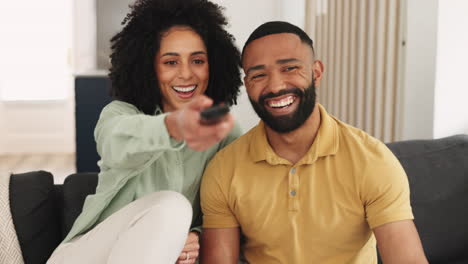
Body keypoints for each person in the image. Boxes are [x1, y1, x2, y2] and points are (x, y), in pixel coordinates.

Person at [200, 21, 428, 264]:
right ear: (247, 85)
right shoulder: (224, 168)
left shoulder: (372, 160)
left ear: (316, 73)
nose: (275, 85)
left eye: (289, 68)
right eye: (258, 75)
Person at [47, 0, 243, 263]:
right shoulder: (119, 115)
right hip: (88, 255)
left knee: (175, 213)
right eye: (170, 62)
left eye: (197, 60)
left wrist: (195, 236)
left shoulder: (224, 132)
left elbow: (230, 206)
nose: (186, 74)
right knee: (173, 206)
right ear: (148, 67)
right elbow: (118, 144)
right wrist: (174, 126)